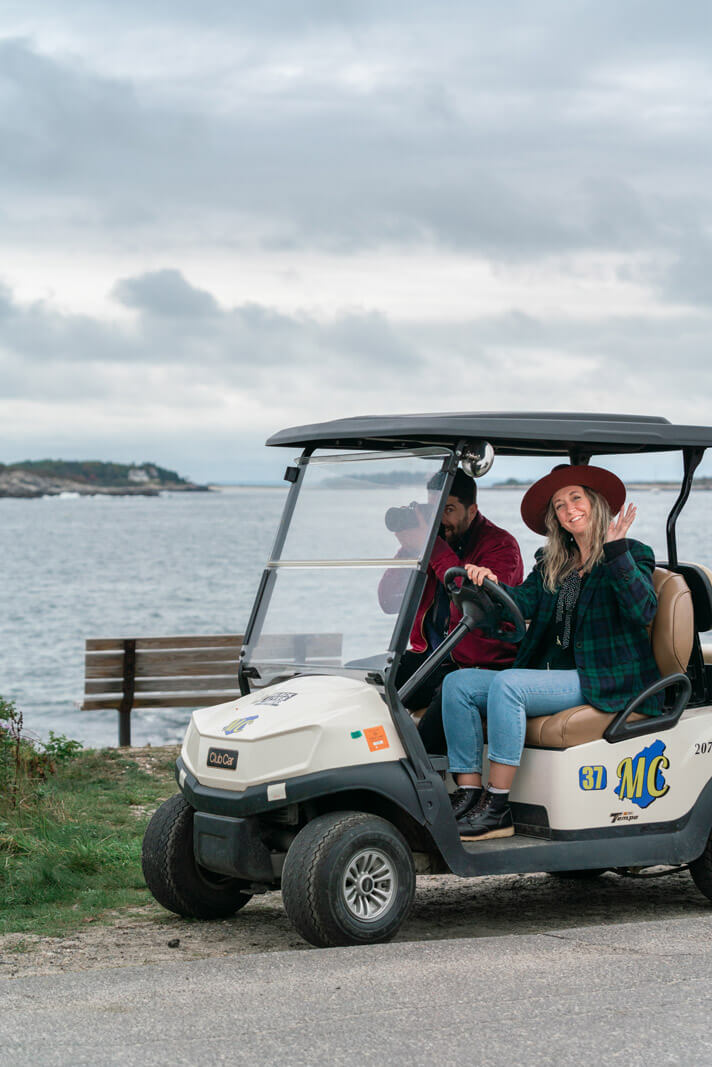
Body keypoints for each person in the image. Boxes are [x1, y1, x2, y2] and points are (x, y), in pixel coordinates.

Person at [442, 464, 664, 840]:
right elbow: (521, 603)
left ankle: (498, 807)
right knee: (458, 684)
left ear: (594, 503)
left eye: (575, 498)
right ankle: (469, 793)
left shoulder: (631, 554)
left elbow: (643, 609)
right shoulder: (553, 563)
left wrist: (615, 551)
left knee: (509, 685)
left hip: (605, 676)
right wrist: (487, 585)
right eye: (559, 505)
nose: (568, 509)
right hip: (554, 675)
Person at [379, 469, 523, 754]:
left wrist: (432, 547)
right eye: (433, 510)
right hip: (430, 658)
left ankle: (417, 781)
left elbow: (478, 603)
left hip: (479, 664)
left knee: (446, 699)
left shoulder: (500, 546)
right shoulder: (429, 542)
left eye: (448, 509)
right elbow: (388, 601)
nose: (440, 519)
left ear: (472, 511)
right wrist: (409, 550)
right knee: (372, 687)